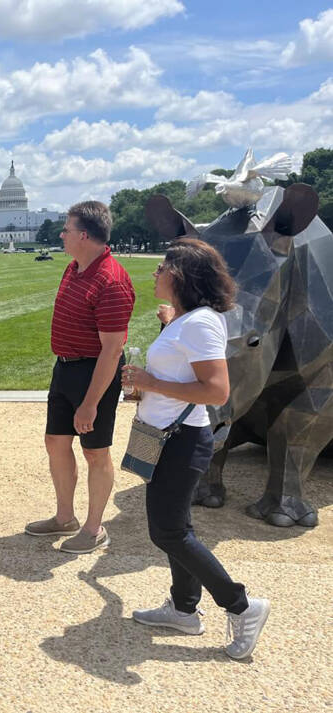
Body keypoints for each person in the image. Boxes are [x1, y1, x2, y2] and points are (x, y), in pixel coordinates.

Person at [123, 238, 269, 660]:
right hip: (169, 436)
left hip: (182, 440)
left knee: (168, 531)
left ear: (180, 275)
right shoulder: (188, 320)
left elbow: (216, 390)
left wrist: (150, 383)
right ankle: (184, 609)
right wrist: (168, 329)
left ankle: (242, 605)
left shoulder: (200, 323)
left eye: (162, 267)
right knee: (176, 527)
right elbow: (183, 367)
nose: (155, 273)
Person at [25, 201, 134, 553]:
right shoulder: (74, 268)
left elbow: (112, 350)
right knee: (56, 442)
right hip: (66, 368)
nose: (62, 235)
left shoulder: (111, 280)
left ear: (84, 235)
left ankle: (94, 527)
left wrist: (90, 404)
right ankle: (64, 517)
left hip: (95, 372)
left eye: (66, 230)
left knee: (95, 452)